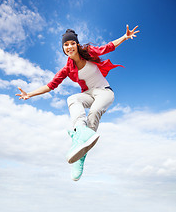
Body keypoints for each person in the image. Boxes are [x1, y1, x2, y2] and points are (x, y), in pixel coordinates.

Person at [16, 25, 139, 181]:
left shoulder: (88, 52)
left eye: (72, 43)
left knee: (94, 112)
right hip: (89, 94)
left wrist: (124, 37)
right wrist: (29, 94)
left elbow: (107, 47)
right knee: (72, 99)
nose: (69, 47)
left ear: (76, 44)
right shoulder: (67, 69)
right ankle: (80, 133)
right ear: (63, 49)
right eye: (66, 45)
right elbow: (50, 85)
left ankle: (82, 152)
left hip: (105, 92)